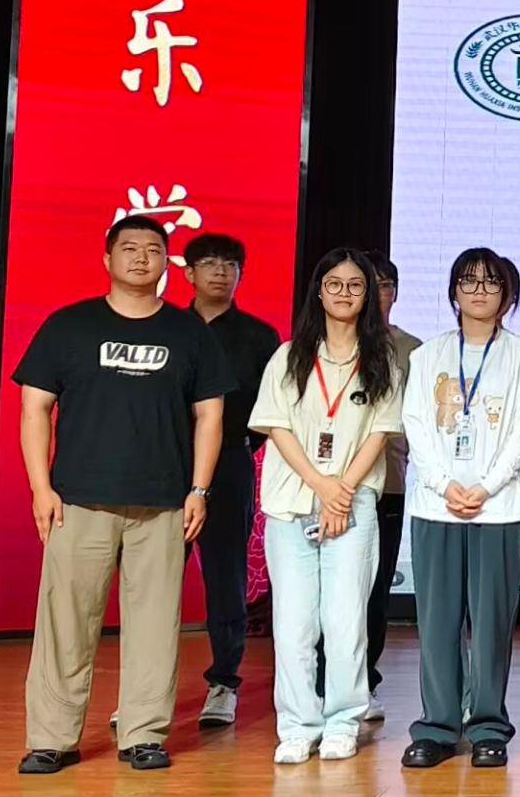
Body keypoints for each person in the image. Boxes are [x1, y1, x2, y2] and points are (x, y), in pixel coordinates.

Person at [15, 217, 232, 774]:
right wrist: (41, 488)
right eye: (129, 248)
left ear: (166, 262)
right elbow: (35, 408)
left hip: (162, 503)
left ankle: (144, 734)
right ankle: (51, 739)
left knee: (155, 625)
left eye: (153, 249)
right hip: (78, 501)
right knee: (65, 623)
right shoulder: (69, 325)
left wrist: (199, 489)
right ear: (107, 259)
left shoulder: (189, 333)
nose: (140, 257)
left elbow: (210, 415)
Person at [250, 249, 404, 764]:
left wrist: (342, 491)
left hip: (353, 506)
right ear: (319, 291)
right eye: (334, 284)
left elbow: (380, 433)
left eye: (355, 285)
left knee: (345, 621)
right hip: (292, 504)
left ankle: (343, 720)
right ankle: (297, 724)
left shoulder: (381, 360)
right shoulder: (289, 355)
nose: (344, 293)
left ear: (369, 295)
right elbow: (276, 426)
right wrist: (321, 485)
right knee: (294, 624)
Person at [399, 247, 520, 769]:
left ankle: (487, 726)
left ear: (508, 294)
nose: (480, 291)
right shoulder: (427, 356)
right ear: (454, 292)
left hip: (496, 507)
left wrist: (485, 485)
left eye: (491, 282)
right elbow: (416, 423)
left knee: (491, 623)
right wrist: (444, 484)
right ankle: (437, 726)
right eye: (469, 281)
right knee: (437, 622)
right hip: (435, 506)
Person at [179, 232, 281, 729]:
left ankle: (223, 682)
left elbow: (270, 409)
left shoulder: (260, 336)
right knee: (152, 579)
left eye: (229, 264)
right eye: (209, 263)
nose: (220, 271)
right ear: (188, 273)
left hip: (229, 465)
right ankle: (145, 688)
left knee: (226, 576)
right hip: (166, 464)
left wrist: (233, 446)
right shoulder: (166, 327)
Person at [365, 255, 425, 720]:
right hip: (330, 488)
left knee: (377, 586)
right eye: (367, 284)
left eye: (385, 284)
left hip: (389, 482)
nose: (376, 293)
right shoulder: (326, 342)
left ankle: (365, 679)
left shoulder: (413, 350)